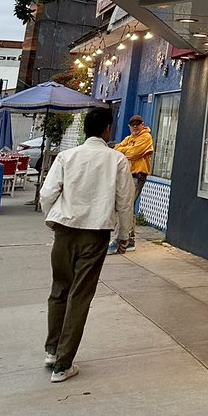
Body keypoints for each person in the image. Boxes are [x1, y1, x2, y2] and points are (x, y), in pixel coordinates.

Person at [40, 105, 133, 384]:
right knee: (80, 295)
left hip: (64, 230)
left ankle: (52, 350)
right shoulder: (117, 160)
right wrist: (125, 234)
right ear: (107, 129)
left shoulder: (67, 156)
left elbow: (48, 193)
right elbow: (125, 202)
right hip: (95, 233)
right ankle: (63, 364)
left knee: (59, 289)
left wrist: (53, 217)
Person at [112, 114, 154, 250]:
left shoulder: (146, 137)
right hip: (128, 175)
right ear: (129, 126)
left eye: (138, 124)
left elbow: (134, 153)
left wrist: (124, 151)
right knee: (127, 206)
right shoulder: (129, 138)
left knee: (126, 206)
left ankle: (122, 239)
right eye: (133, 124)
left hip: (138, 175)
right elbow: (116, 149)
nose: (135, 126)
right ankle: (129, 239)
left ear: (143, 124)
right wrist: (125, 150)